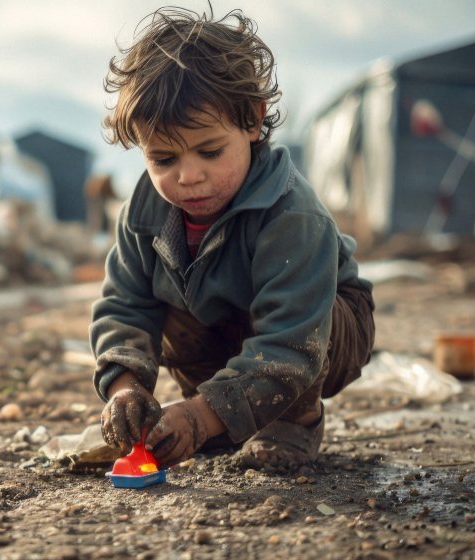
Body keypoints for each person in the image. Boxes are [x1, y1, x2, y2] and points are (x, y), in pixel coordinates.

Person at [90, 7, 375, 472]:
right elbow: (124, 306)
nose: (188, 176)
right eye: (163, 159)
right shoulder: (142, 215)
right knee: (168, 307)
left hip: (321, 327)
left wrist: (198, 418)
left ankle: (292, 418)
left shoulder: (291, 214)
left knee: (300, 329)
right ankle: (225, 414)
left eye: (210, 151)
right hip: (222, 325)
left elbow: (291, 339)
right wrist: (125, 389)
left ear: (252, 121)